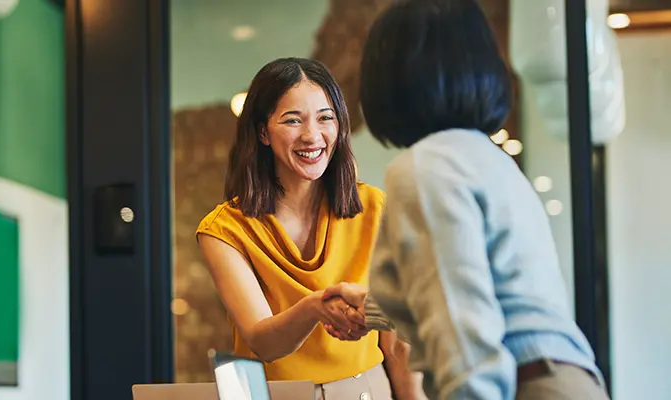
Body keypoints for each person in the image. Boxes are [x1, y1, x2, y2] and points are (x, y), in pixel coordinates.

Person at [321, 0, 611, 399]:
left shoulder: (425, 169)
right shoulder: (488, 159)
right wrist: (371, 309)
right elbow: (478, 291)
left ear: (392, 78)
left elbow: (463, 335)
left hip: (524, 385)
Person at [196, 57, 418, 399]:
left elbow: (400, 344)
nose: (312, 135)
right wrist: (315, 306)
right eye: (293, 120)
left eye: (325, 118)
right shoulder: (224, 230)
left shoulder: (377, 208)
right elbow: (262, 341)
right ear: (263, 132)